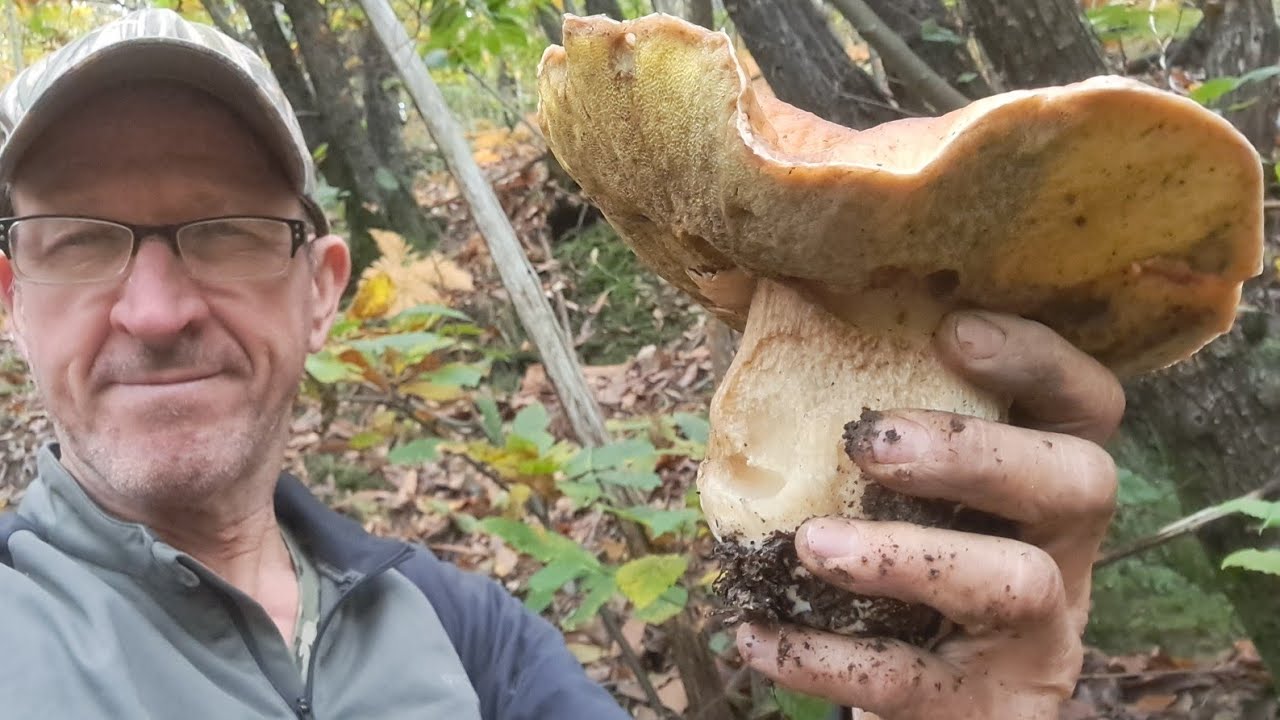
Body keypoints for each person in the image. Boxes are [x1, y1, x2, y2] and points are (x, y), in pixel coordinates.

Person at [0, 9, 1119, 720]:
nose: (153, 311)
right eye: (77, 242)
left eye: (225, 230)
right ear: (9, 298)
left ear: (321, 287)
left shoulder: (472, 637)